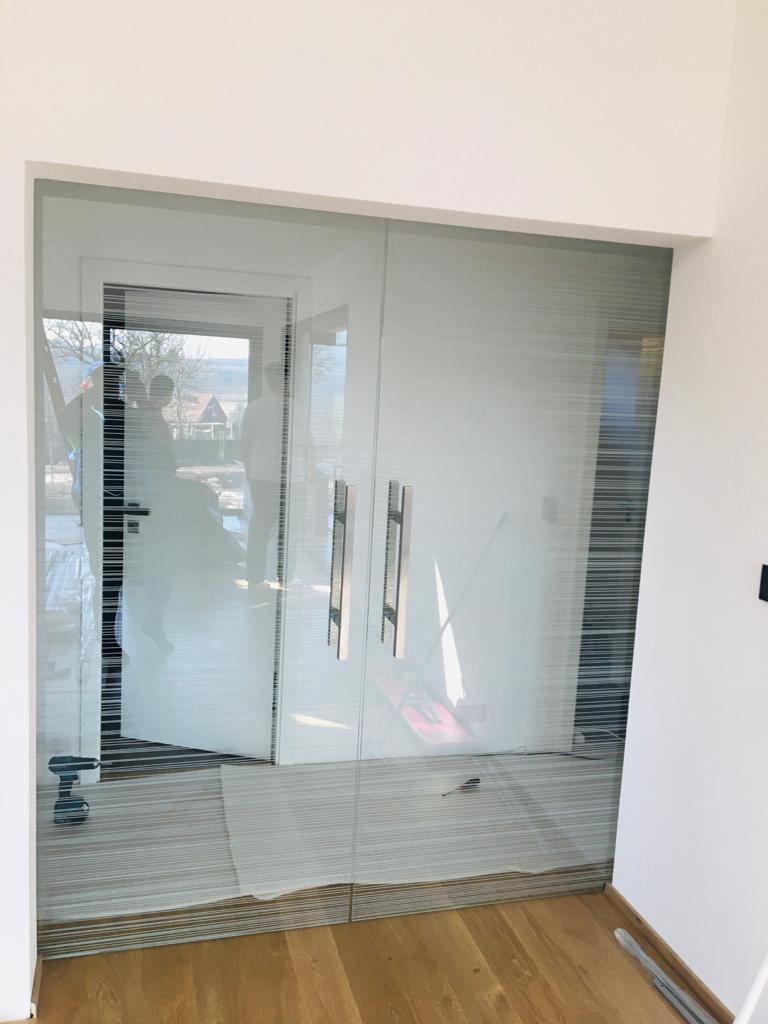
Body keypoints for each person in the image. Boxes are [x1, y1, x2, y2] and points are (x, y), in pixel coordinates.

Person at [240, 362, 285, 587]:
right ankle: (284, 575)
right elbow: (307, 445)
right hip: (287, 478)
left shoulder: (254, 408)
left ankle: (255, 577)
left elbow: (245, 443)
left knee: (260, 527)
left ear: (267, 380)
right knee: (285, 528)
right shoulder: (294, 408)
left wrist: (249, 472)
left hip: (261, 476)